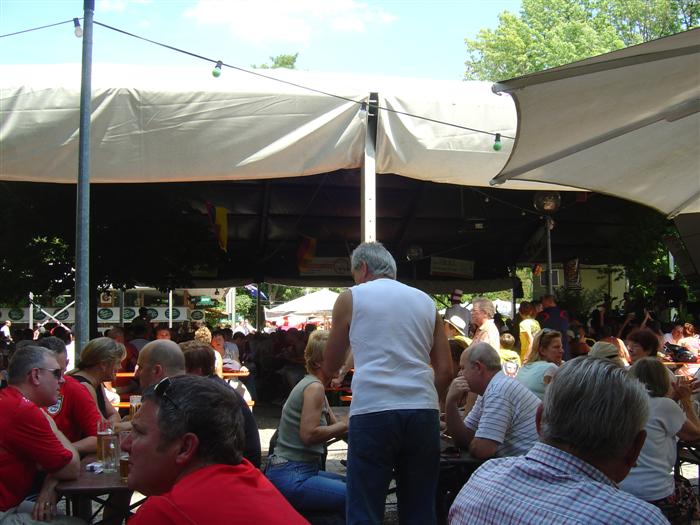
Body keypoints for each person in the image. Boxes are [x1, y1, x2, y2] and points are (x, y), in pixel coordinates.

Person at [449, 357, 668, 525]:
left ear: (539, 421)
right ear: (635, 448)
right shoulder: (639, 519)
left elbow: (480, 446)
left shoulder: (482, 480)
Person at [324, 242, 452, 525]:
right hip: (422, 412)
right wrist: (436, 403)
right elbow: (445, 370)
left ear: (364, 268)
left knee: (365, 507)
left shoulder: (350, 298)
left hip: (373, 411)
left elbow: (330, 362)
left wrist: (327, 378)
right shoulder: (426, 302)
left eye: (354, 272)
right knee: (420, 507)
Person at [123, 375, 307, 524]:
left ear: (185, 448)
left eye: (139, 432)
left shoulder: (167, 513)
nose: (125, 444)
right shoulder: (250, 478)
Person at [266, 330, 348, 515]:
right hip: (293, 474)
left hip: (293, 470)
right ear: (319, 361)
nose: (341, 361)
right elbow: (309, 434)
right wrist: (347, 423)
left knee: (351, 485)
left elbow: (338, 429)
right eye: (335, 356)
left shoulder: (314, 384)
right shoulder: (314, 388)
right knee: (355, 496)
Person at [0, 345, 82, 524]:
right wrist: (51, 423)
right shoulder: (23, 410)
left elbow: (60, 466)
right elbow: (72, 467)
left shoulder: (9, 400)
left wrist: (51, 480)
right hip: (3, 511)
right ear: (36, 375)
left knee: (52, 512)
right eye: (57, 373)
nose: (62, 380)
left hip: (10, 504)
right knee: (77, 523)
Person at [621, 357, 700, 523]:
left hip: (622, 487)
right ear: (663, 380)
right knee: (687, 493)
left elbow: (656, 416)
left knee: (682, 485)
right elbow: (695, 434)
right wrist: (686, 401)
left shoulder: (624, 403)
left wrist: (675, 400)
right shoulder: (664, 406)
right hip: (654, 492)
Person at [445, 343, 540, 459]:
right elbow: (464, 439)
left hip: (533, 470)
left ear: (478, 367)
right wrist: (451, 403)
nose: (459, 373)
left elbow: (482, 451)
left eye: (463, 368)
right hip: (526, 464)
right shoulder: (490, 389)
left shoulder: (498, 390)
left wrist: (477, 441)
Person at [181, 340, 261, 467]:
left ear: (197, 371)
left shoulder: (208, 395)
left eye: (181, 368)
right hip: (242, 463)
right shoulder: (213, 386)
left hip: (238, 469)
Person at [32, 337, 101, 455]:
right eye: (54, 373)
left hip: (60, 464)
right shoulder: (23, 391)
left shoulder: (74, 388)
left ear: (67, 363)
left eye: (60, 371)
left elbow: (100, 436)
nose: (60, 379)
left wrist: (60, 450)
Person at [68, 337, 125, 425]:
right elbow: (100, 427)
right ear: (103, 364)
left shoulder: (97, 384)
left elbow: (114, 415)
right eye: (118, 363)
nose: (120, 367)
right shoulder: (83, 386)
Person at [515, 329, 562, 400]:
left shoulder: (523, 367)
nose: (562, 351)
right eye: (556, 347)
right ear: (542, 351)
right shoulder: (551, 368)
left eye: (561, 347)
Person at [536, 294, 570, 360]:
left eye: (543, 301)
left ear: (548, 301)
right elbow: (566, 327)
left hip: (548, 344)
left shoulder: (542, 315)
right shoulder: (564, 313)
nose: (542, 304)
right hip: (563, 344)